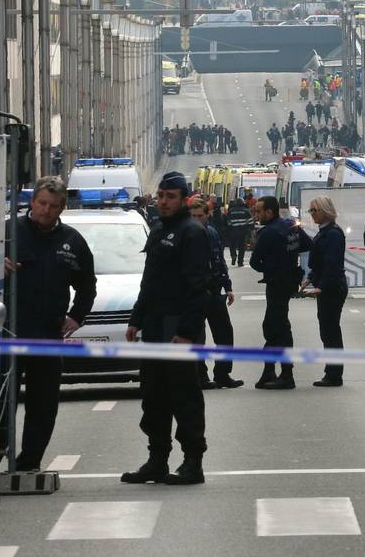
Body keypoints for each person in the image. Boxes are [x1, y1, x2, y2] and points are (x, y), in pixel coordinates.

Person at [122, 172, 213, 486]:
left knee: (184, 397)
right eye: (160, 196)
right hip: (155, 326)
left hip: (179, 328)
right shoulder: (159, 230)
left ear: (184, 198)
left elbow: (199, 288)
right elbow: (149, 283)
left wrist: (187, 331)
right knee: (154, 397)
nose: (163, 201)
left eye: (170, 196)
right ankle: (157, 460)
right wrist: (136, 319)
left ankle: (192, 462)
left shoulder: (192, 233)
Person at [6, 176, 96, 472]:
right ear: (32, 202)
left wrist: (76, 316)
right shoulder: (8, 233)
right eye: (42, 203)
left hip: (48, 334)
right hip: (6, 333)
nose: (46, 210)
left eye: (53, 206)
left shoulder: (72, 241)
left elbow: (87, 285)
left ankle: (29, 462)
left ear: (62, 209)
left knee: (42, 404)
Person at [249, 196, 312, 389]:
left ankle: (285, 374)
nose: (256, 215)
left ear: (270, 212)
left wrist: (272, 265)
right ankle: (269, 371)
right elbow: (307, 245)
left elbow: (254, 262)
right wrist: (288, 258)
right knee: (275, 325)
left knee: (277, 327)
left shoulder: (268, 233)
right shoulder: (291, 226)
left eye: (259, 211)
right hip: (290, 281)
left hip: (277, 283)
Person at [189, 196, 244, 389]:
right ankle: (200, 375)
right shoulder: (185, 236)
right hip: (194, 293)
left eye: (200, 215)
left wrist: (227, 286)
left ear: (208, 215)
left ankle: (222, 373)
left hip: (213, 291)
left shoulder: (211, 233)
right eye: (193, 215)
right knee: (197, 337)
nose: (197, 219)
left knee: (225, 334)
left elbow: (219, 261)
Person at [302, 197, 347, 387]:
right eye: (311, 211)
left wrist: (322, 286)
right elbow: (320, 262)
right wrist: (311, 278)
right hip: (326, 284)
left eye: (314, 210)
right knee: (327, 330)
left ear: (324, 211)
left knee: (330, 331)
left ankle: (334, 374)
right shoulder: (325, 232)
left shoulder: (333, 234)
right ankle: (332, 371)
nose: (312, 214)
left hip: (332, 287)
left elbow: (332, 264)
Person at [226, 195, 253, 266]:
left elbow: (228, 223)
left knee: (232, 245)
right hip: (243, 232)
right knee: (242, 247)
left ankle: (233, 255)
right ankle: (240, 262)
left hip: (233, 231)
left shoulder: (231, 211)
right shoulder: (246, 211)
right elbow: (250, 222)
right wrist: (251, 230)